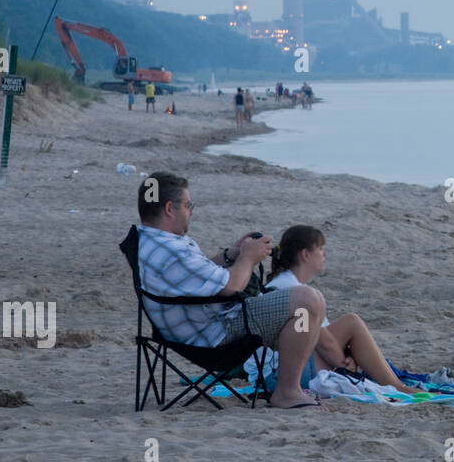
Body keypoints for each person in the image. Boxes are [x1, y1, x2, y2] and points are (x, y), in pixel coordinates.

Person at [136, 172, 326, 410]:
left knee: (305, 303)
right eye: (187, 205)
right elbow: (231, 285)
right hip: (213, 333)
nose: (191, 211)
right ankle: (287, 391)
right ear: (169, 209)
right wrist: (248, 258)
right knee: (308, 301)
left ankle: (288, 385)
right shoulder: (173, 252)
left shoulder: (151, 240)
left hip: (194, 323)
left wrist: (231, 255)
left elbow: (195, 275)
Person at [244, 225, 418, 394]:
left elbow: (311, 337)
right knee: (352, 322)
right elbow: (321, 342)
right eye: (320, 249)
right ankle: (398, 387)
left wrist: (347, 356)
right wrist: (344, 365)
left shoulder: (285, 284)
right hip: (280, 376)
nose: (324, 254)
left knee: (350, 332)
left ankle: (394, 383)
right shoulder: (290, 289)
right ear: (305, 254)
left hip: (278, 372)